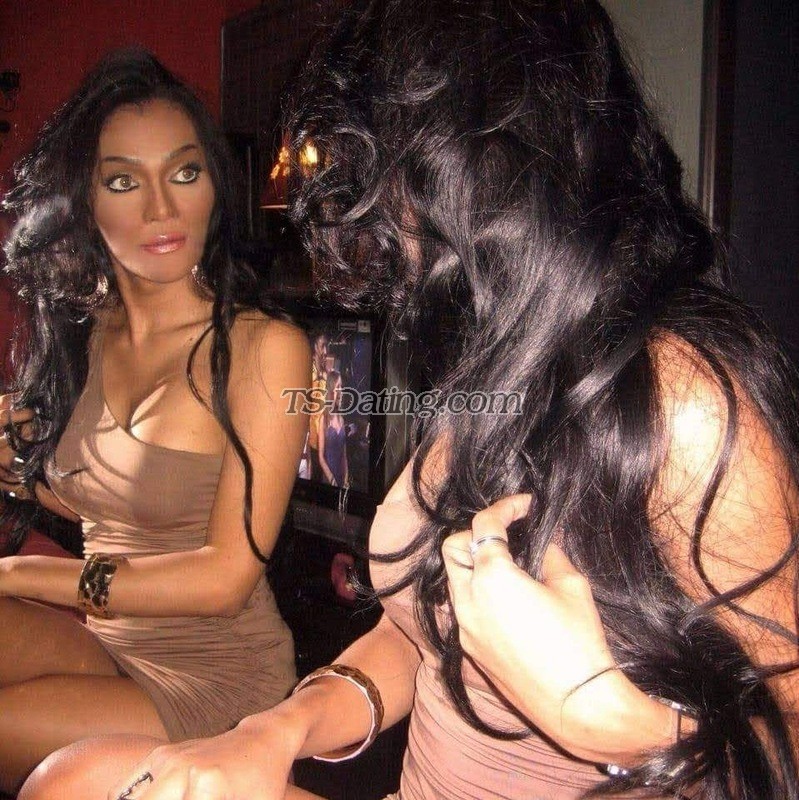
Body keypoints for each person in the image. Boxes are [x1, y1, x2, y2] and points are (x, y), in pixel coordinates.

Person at [22, 1, 799, 798]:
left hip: (207, 666)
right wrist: (274, 731)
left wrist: (621, 731)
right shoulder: (501, 364)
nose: (370, 205)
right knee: (76, 780)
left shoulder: (686, 398)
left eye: (387, 166)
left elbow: (782, 737)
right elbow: (414, 635)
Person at [0, 48, 309, 794]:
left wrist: (26, 574)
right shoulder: (86, 333)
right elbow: (116, 505)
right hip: (116, 648)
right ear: (84, 202)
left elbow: (224, 578)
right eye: (122, 181)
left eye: (184, 172)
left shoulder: (263, 347)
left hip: (219, 681)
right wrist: (18, 472)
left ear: (214, 184)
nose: (161, 210)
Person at [317, 370, 348, 488]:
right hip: (328, 479)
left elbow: (344, 455)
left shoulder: (342, 419)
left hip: (341, 478)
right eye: (338, 387)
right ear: (330, 391)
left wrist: (346, 479)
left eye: (342, 387)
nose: (341, 391)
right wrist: (331, 479)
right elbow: (321, 457)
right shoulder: (324, 419)